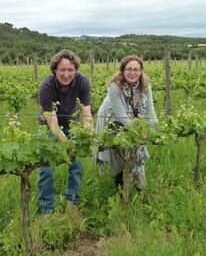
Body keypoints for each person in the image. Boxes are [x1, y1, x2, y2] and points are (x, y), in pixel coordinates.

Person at [37, 49, 93, 214]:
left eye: (70, 70)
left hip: (72, 124)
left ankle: (72, 203)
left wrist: (87, 136)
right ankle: (46, 210)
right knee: (46, 168)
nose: (66, 74)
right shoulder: (46, 86)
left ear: (76, 70)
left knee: (77, 165)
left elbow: (87, 113)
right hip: (49, 126)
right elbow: (53, 125)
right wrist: (68, 145)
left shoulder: (82, 81)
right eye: (62, 69)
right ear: (55, 69)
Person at [95, 55, 157, 190]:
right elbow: (122, 117)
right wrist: (140, 132)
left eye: (136, 69)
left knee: (136, 149)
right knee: (117, 151)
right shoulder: (114, 87)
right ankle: (120, 186)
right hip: (111, 117)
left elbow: (150, 114)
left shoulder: (146, 87)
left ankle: (137, 186)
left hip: (133, 118)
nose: (132, 72)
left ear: (141, 71)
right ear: (123, 70)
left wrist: (153, 131)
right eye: (129, 69)